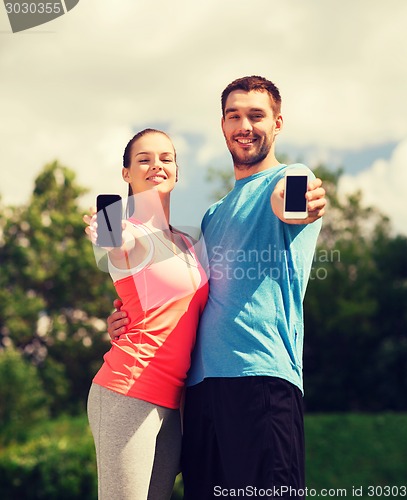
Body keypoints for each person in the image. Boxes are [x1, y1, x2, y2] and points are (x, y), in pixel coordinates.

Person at [108, 76, 326, 499]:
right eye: (234, 115)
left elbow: (297, 203)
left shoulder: (292, 176)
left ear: (277, 123)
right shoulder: (213, 214)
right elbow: (185, 297)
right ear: (223, 125)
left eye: (256, 115)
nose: (245, 124)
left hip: (260, 378)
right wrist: (125, 317)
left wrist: (303, 205)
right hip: (200, 394)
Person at [84, 128, 209, 500]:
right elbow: (118, 243)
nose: (157, 165)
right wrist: (106, 232)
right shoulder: (130, 233)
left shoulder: (189, 242)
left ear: (177, 170)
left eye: (166, 158)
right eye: (144, 159)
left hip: (172, 405)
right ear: (127, 174)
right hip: (128, 392)